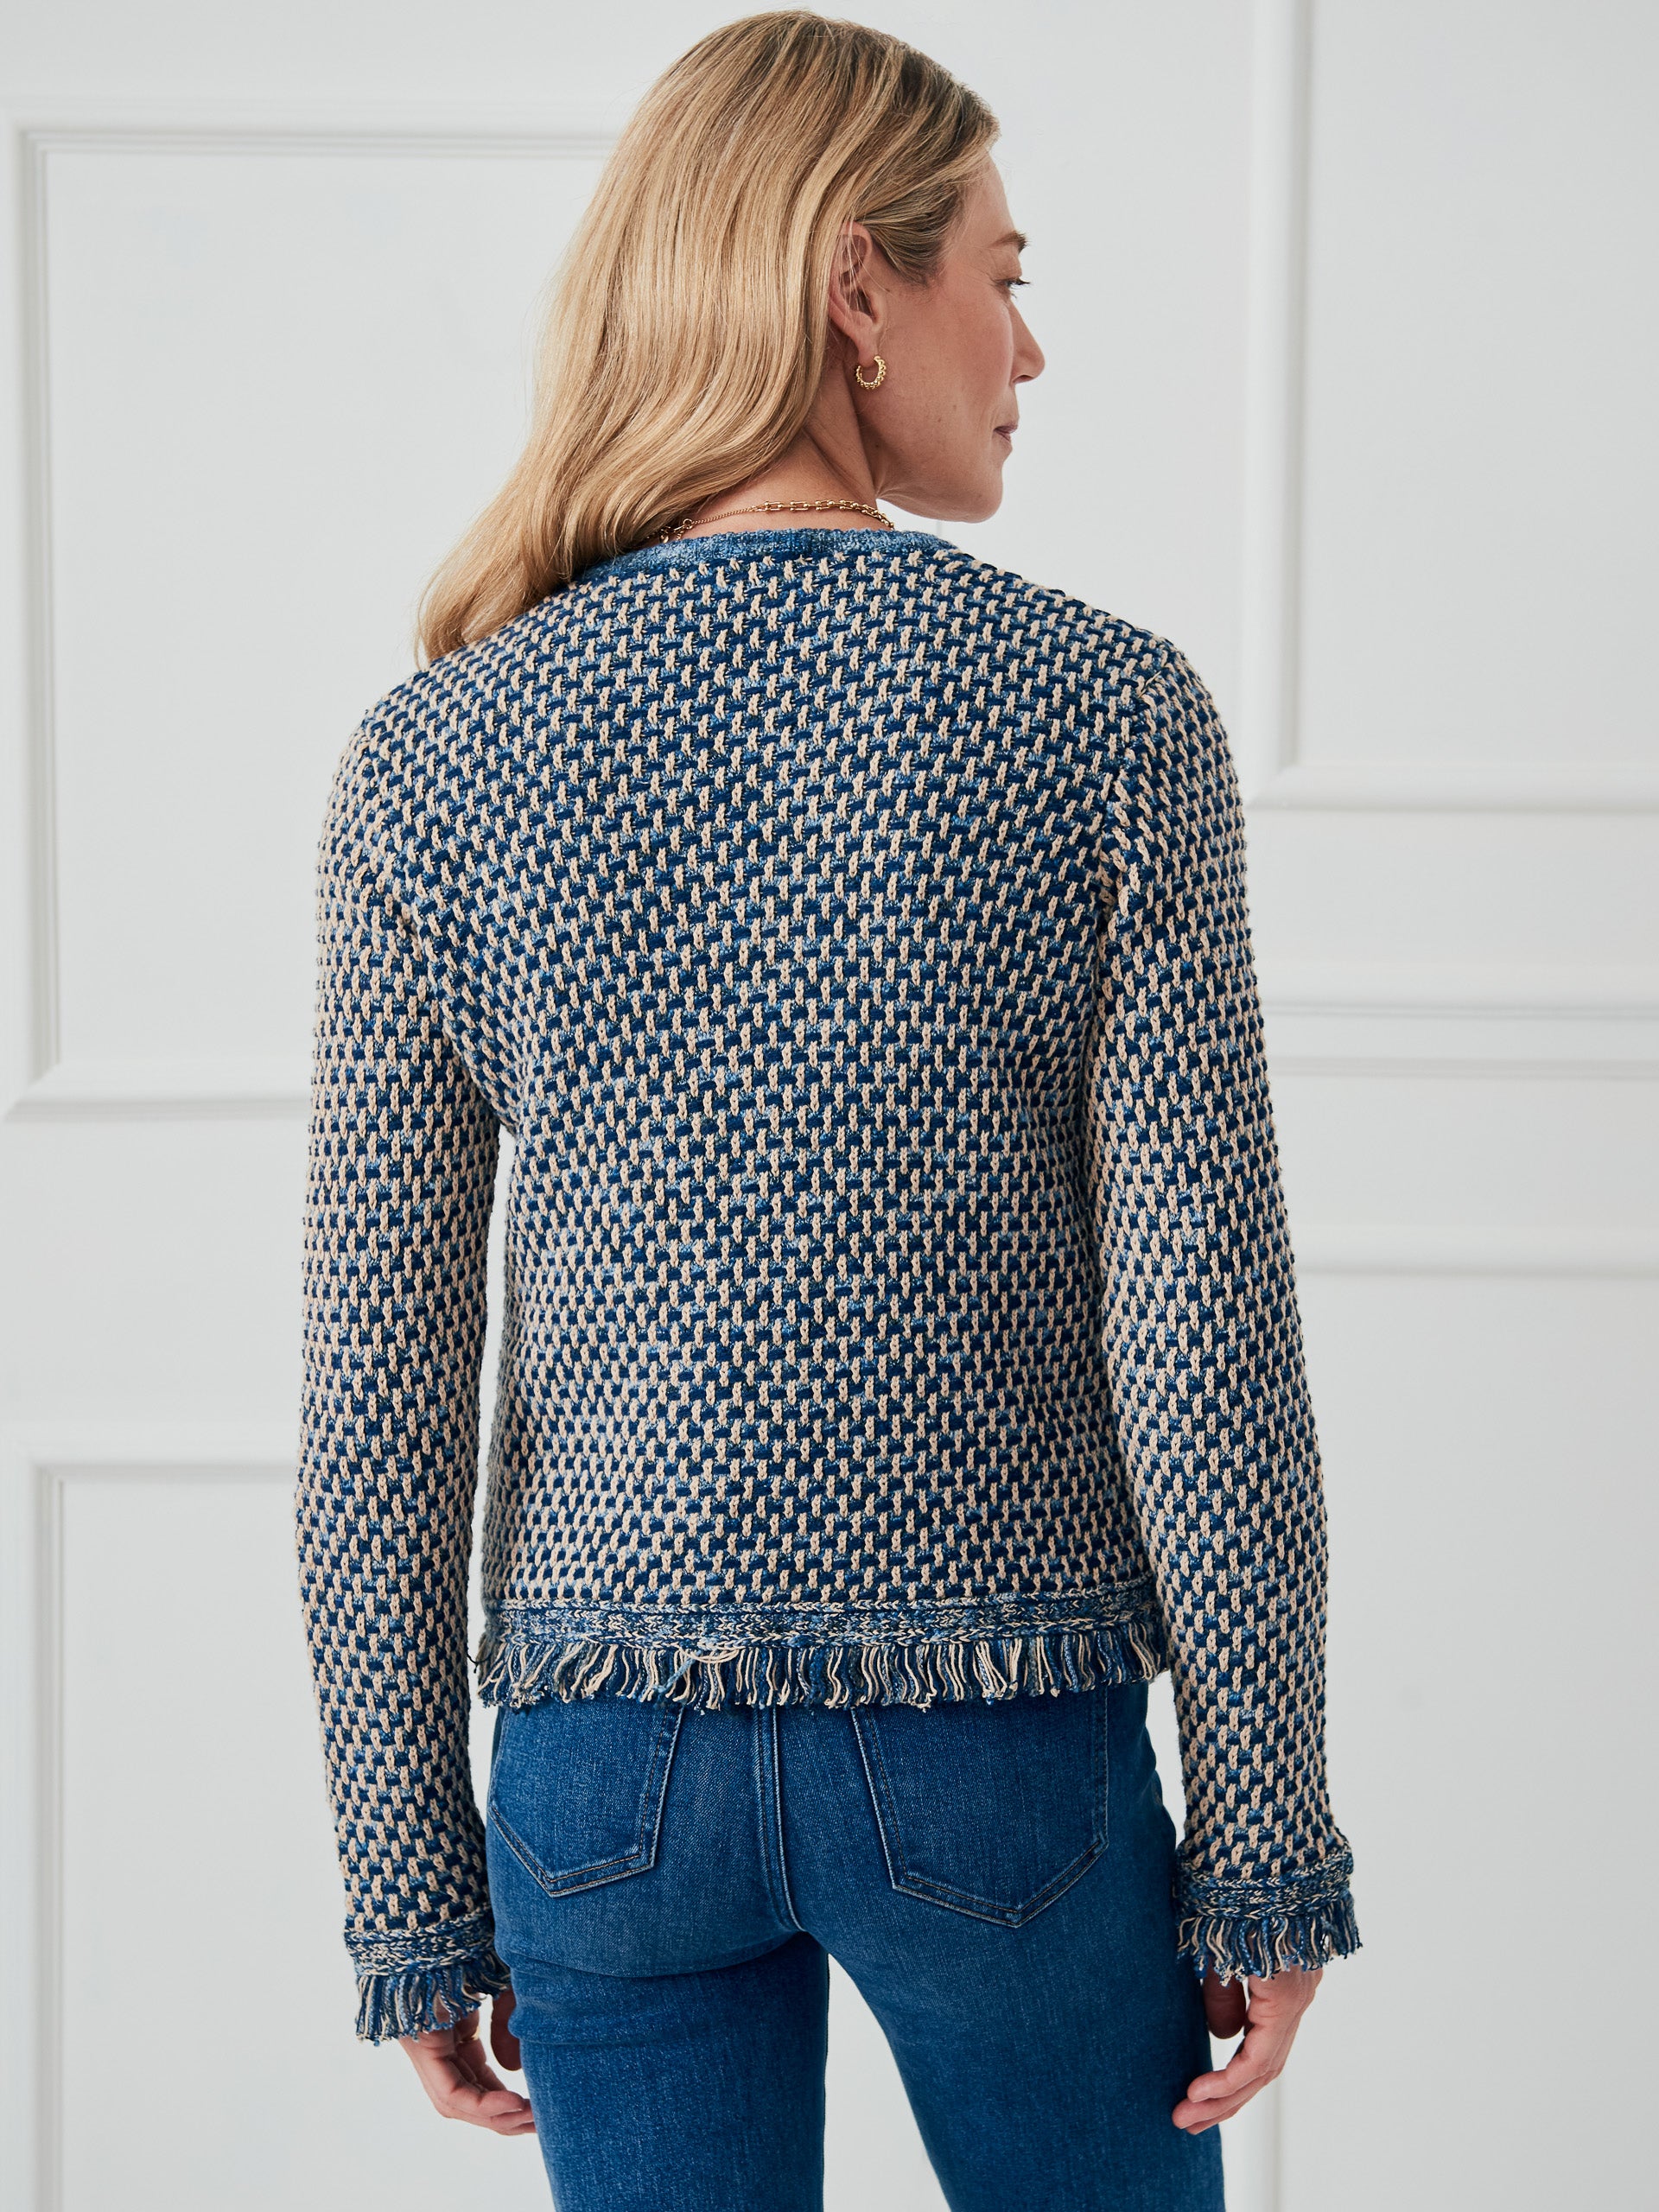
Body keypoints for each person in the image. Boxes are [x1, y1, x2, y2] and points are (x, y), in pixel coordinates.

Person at [296, 13, 1358, 2209]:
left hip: (603, 1783)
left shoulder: (436, 756)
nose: (1030, 347)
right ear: (855, 284)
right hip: (1001, 1754)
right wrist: (1264, 1836)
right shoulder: (1107, 715)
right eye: (1004, 272)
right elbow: (1206, 1343)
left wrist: (407, 1876)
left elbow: (374, 1384)